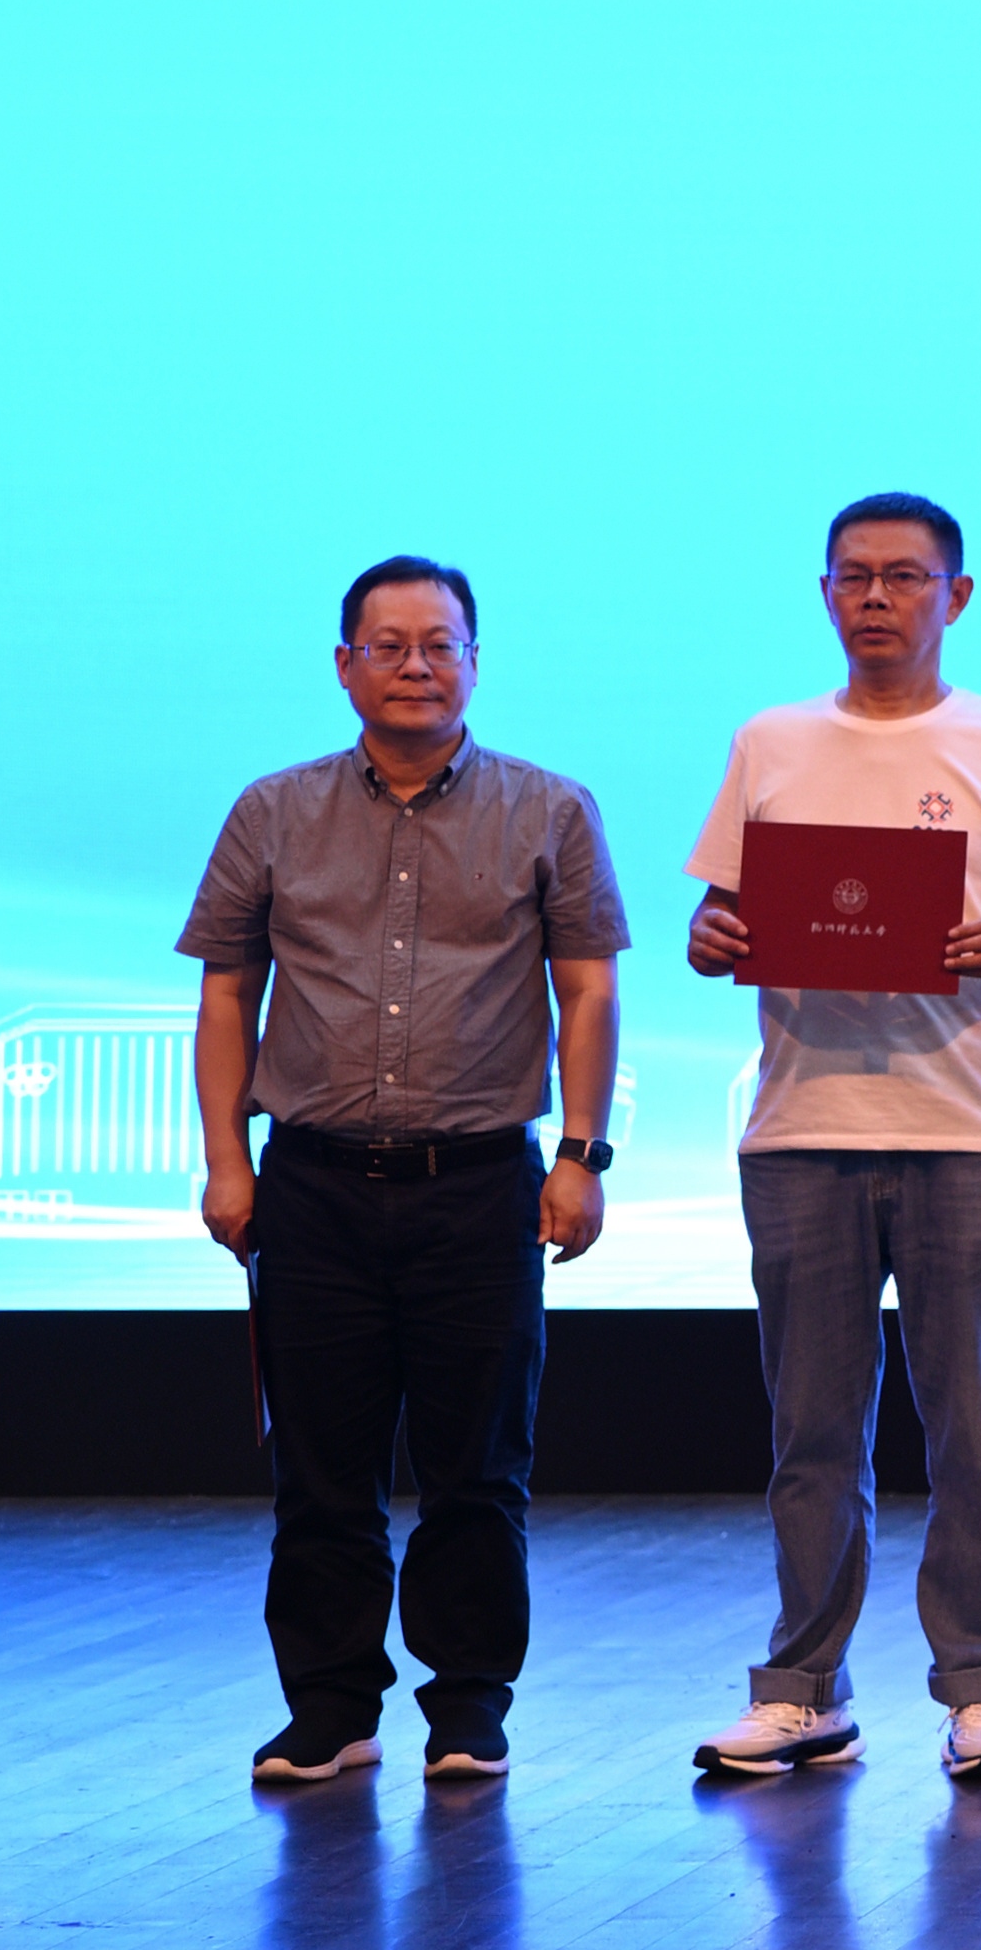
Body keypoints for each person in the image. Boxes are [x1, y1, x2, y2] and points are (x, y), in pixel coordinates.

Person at [183, 556, 624, 1785]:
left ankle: (468, 1705)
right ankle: (330, 1704)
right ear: (346, 665)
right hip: (312, 1183)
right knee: (321, 1469)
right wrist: (225, 1160)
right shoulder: (272, 809)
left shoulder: (550, 807)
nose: (416, 665)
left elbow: (587, 991)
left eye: (440, 643)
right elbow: (227, 994)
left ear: (475, 661)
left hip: (480, 1182)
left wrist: (582, 1155)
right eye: (389, 645)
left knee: (477, 1468)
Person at [686, 492, 981, 1780]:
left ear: (953, 596)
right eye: (854, 575)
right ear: (824, 593)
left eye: (905, 576)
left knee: (975, 1429)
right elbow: (717, 914)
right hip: (801, 1127)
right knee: (812, 1430)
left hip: (965, 1128)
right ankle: (803, 1687)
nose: (877, 597)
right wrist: (714, 936)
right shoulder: (771, 740)